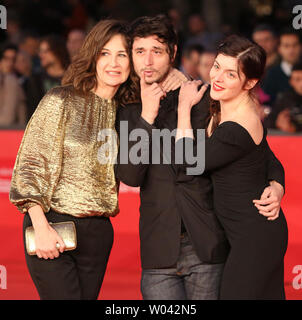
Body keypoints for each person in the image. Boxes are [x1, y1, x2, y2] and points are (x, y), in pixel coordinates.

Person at [115, 15, 285, 300]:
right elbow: (130, 175)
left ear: (173, 52)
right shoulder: (128, 110)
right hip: (159, 250)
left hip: (207, 245)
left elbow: (260, 149)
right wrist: (147, 115)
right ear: (131, 56)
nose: (147, 61)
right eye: (139, 51)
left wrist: (276, 184)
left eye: (156, 51)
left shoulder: (206, 97)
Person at [9, 19, 137, 300]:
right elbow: (30, 166)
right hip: (52, 225)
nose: (113, 63)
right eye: (105, 53)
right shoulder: (61, 99)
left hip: (99, 233)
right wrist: (39, 227)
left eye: (122, 55)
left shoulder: (127, 114)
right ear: (92, 56)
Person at [176, 35, 288, 299]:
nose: (217, 77)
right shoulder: (231, 108)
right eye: (217, 66)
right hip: (253, 234)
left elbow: (189, 162)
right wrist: (277, 184)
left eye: (230, 74)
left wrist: (183, 108)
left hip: (256, 238)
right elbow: (269, 157)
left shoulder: (238, 126)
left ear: (249, 82)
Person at [24, 35, 70, 121]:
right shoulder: (35, 79)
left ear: (57, 51)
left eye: (45, 51)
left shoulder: (73, 78)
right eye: (40, 51)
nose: (41, 55)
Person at [261, 29, 301, 105]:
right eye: (286, 46)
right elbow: (267, 103)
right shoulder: (272, 74)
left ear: (300, 47)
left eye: (295, 45)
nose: (291, 50)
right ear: (279, 49)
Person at [270, 62, 302, 133]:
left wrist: (295, 129)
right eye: (297, 79)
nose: (301, 84)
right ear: (291, 82)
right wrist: (277, 123)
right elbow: (268, 122)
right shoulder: (284, 99)